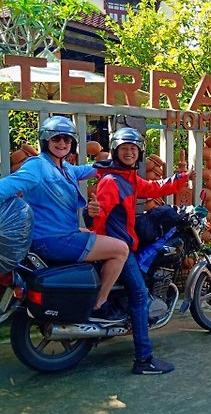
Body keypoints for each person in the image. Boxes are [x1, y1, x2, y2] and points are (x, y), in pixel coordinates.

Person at [0, 116, 129, 321]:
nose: (62, 143)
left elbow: (85, 170)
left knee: (92, 233)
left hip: (61, 233)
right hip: (53, 240)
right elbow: (6, 187)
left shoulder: (64, 167)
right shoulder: (37, 166)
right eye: (56, 139)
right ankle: (99, 304)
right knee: (121, 249)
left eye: (67, 140)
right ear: (46, 142)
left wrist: (117, 162)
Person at [89, 127, 196, 375]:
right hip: (118, 248)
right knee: (139, 296)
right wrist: (92, 213)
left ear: (139, 153)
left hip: (124, 244)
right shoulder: (111, 181)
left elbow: (154, 187)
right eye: (124, 149)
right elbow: (99, 217)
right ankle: (143, 360)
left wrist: (181, 179)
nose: (129, 153)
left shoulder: (128, 179)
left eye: (133, 149)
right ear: (116, 151)